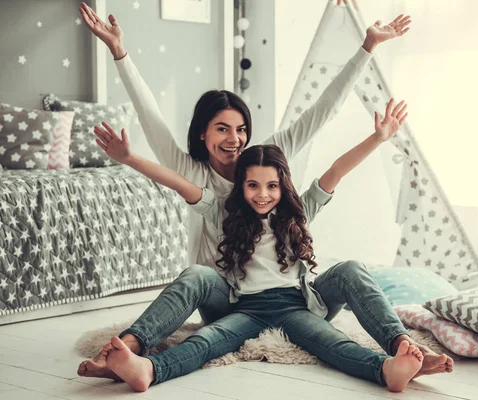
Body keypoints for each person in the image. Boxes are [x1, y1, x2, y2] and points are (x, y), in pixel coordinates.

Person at [77, 2, 452, 380]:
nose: (234, 139)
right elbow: (161, 144)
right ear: (203, 132)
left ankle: (405, 352)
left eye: (240, 129)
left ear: (281, 181)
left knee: (346, 294)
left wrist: (368, 51)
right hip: (230, 299)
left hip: (295, 302)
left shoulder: (272, 171)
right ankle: (126, 353)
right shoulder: (215, 197)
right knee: (200, 318)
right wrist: (120, 58)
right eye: (222, 128)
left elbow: (325, 128)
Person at [95, 98, 425, 392]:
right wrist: (129, 158)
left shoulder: (302, 210)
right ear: (241, 185)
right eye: (253, 185)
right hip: (244, 308)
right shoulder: (222, 209)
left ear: (284, 185)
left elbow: (338, 170)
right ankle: (139, 359)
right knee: (205, 333)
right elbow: (178, 183)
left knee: (336, 328)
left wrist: (379, 137)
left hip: (296, 307)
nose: (263, 193)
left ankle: (397, 354)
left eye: (271, 186)